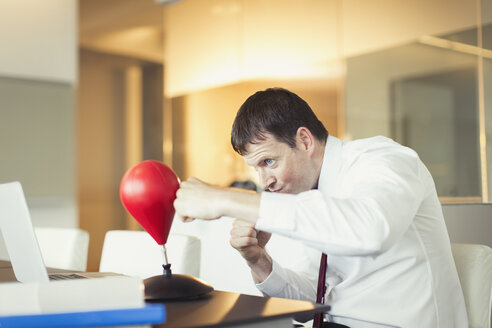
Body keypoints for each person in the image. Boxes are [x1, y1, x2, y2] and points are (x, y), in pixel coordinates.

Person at [173, 88, 468, 327]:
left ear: (304, 140)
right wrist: (258, 261)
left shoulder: (383, 159)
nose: (266, 182)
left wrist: (225, 199)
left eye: (269, 162)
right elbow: (309, 307)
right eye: (257, 169)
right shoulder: (309, 199)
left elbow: (371, 232)